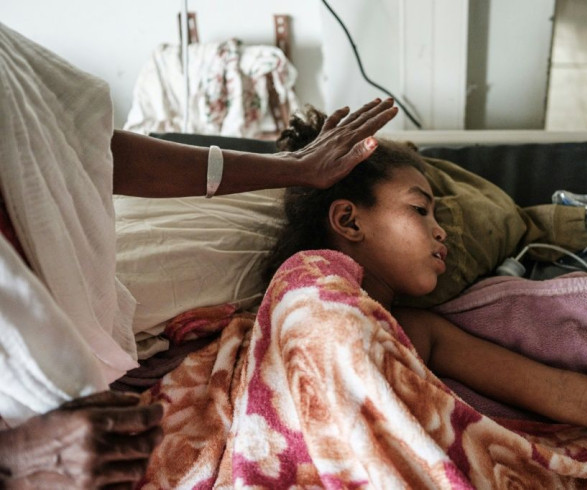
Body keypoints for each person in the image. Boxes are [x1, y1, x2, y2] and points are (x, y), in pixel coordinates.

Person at [0, 21, 398, 486]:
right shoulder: (305, 288)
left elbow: (85, 146)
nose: (441, 234)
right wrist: (15, 458)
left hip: (77, 402)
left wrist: (292, 167)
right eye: (420, 209)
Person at [263, 107, 587, 463]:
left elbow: (555, 390)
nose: (441, 229)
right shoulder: (301, 297)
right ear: (348, 219)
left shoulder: (418, 329)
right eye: (419, 210)